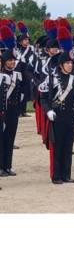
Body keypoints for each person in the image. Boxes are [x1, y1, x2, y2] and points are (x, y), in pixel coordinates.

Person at [45, 47, 74, 184]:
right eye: (67, 63)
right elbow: (43, 97)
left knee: (68, 146)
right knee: (57, 146)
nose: (70, 65)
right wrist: (48, 110)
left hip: (70, 117)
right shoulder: (53, 79)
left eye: (71, 63)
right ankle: (56, 175)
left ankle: (66, 174)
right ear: (61, 65)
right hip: (57, 117)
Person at [0, 27, 23, 176]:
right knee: (1, 140)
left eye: (13, 60)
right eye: (9, 61)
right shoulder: (1, 76)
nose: (12, 63)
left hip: (14, 111)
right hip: (4, 111)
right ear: (4, 62)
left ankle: (8, 165)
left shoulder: (17, 75)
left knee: (10, 138)